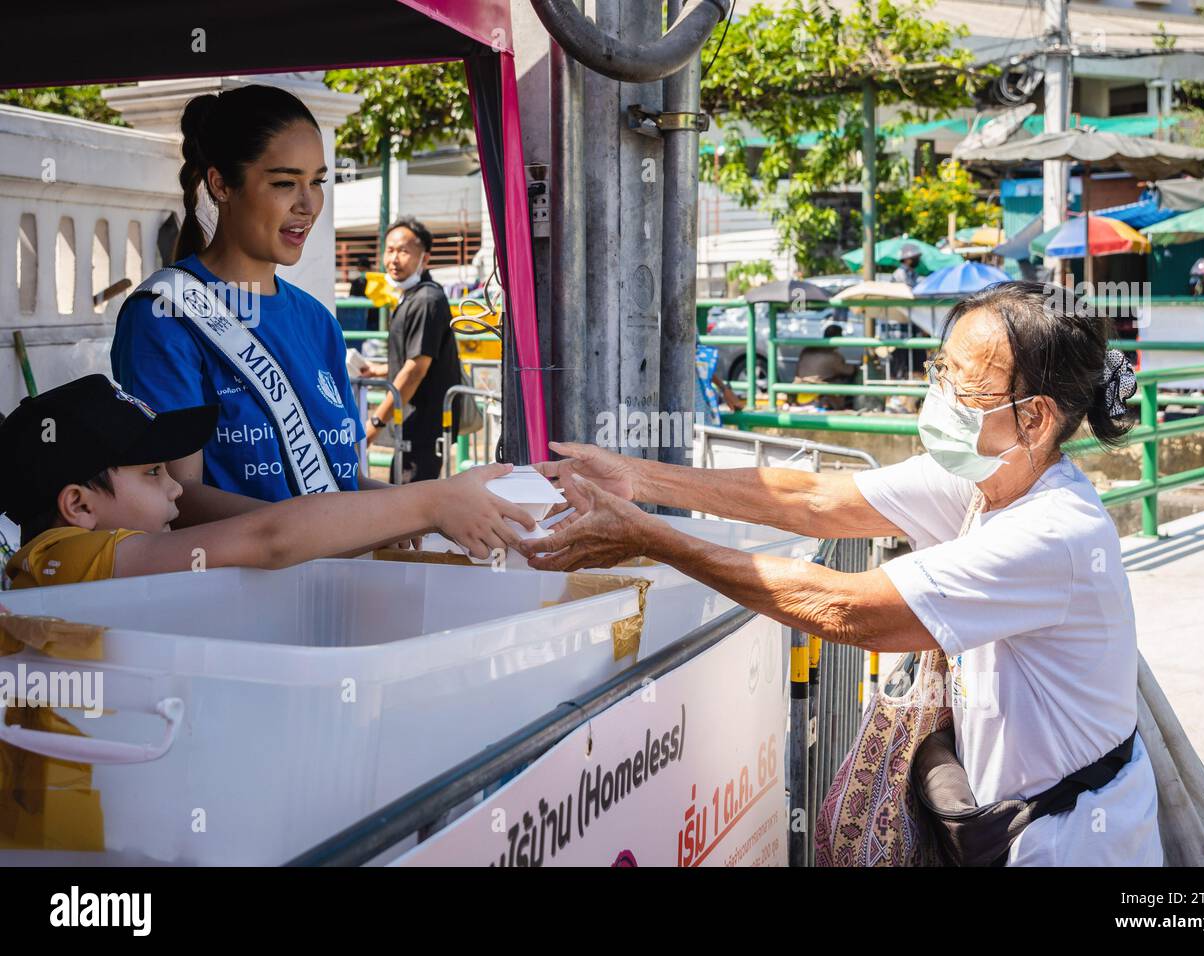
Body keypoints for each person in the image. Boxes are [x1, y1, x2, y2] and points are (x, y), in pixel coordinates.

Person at [522, 280, 1162, 866]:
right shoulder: (985, 479)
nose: (939, 393)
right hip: (1006, 823)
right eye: (940, 368)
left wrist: (652, 538)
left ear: (1035, 417)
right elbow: (811, 498)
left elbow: (854, 611)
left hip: (1071, 842)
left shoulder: (1050, 533)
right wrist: (639, 478)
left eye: (964, 385)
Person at [111, 85, 388, 521]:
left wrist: (433, 504)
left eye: (317, 182)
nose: (308, 204)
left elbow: (342, 482)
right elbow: (177, 499)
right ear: (221, 183)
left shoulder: (317, 321)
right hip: (230, 585)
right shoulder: (163, 316)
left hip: (331, 579)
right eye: (284, 183)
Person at [0, 376, 534, 589]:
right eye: (153, 472)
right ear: (77, 505)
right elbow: (270, 539)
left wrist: (379, 525)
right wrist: (432, 502)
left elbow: (278, 539)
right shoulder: (63, 560)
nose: (176, 488)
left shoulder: (97, 565)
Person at [358, 217, 463, 483]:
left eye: (404, 251)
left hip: (423, 425)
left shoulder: (427, 299)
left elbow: (415, 370)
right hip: (412, 423)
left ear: (424, 258)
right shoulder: (413, 296)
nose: (394, 259)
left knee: (410, 503)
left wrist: (375, 424)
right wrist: (380, 370)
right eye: (390, 250)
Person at [792, 324, 858, 410]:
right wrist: (857, 367)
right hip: (817, 392)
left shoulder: (807, 350)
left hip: (799, 388)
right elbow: (849, 371)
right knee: (843, 380)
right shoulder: (834, 356)